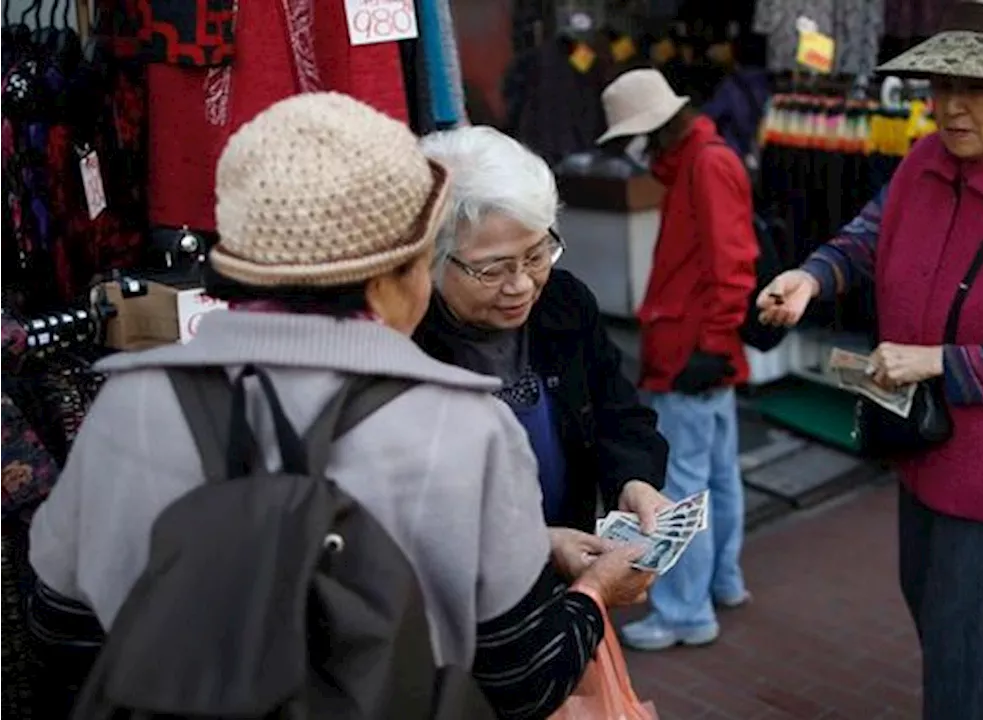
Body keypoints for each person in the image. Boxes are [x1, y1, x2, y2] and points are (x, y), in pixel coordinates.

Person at [26, 93, 652, 720]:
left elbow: (63, 637)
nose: (520, 282)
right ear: (400, 275)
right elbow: (524, 681)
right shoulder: (463, 427)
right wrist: (595, 594)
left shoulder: (130, 403)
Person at [758, 1, 983, 717]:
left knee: (958, 647)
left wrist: (936, 362)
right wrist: (813, 276)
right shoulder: (925, 159)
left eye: (973, 88)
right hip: (918, 445)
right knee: (934, 611)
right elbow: (865, 237)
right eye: (939, 86)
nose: (949, 107)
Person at [413, 125, 672, 579]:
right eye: (492, 270)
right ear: (432, 260)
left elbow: (619, 413)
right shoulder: (407, 344)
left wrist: (633, 480)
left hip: (571, 571)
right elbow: (419, 515)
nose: (521, 285)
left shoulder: (565, 305)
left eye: (536, 256)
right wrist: (536, 544)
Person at [595, 68, 759, 651]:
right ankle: (720, 585)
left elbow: (731, 265)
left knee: (685, 487)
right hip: (701, 349)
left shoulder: (704, 165)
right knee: (715, 475)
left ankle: (687, 611)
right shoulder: (702, 160)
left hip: (690, 351)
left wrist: (711, 346)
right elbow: (732, 264)